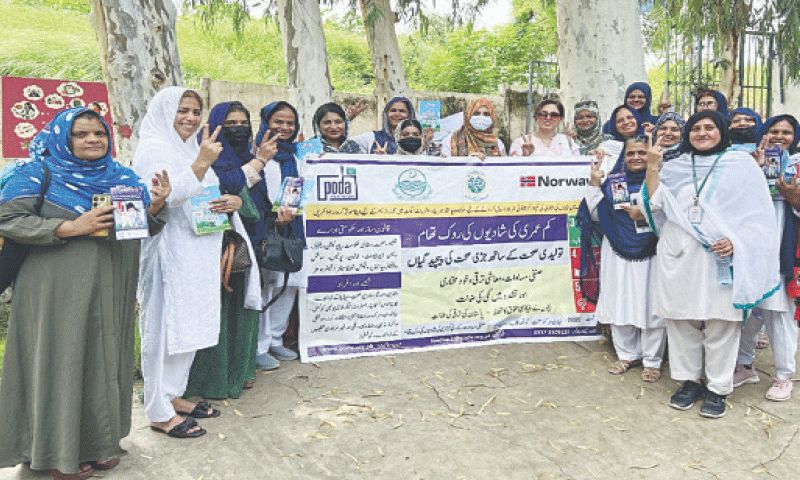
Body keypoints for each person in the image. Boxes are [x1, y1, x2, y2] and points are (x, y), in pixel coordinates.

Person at [0, 107, 170, 479]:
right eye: (81, 134)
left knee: (105, 358)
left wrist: (155, 205)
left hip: (114, 282)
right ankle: (57, 453)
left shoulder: (123, 177)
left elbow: (138, 228)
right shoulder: (38, 171)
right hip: (56, 288)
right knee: (63, 360)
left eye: (99, 133)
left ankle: (99, 442)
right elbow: (8, 219)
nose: (93, 140)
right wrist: (69, 226)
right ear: (63, 138)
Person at [640, 110, 780, 418]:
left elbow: (757, 219)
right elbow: (652, 204)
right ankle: (690, 381)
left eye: (710, 127)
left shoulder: (742, 166)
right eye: (696, 128)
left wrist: (736, 241)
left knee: (721, 322)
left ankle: (718, 388)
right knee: (681, 321)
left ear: (722, 131)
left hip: (721, 257)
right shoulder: (674, 167)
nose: (702, 133)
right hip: (679, 255)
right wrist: (652, 166)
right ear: (687, 133)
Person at [134, 87, 243, 438]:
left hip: (197, 253)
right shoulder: (153, 148)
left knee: (188, 327)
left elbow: (201, 193)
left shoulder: (187, 148)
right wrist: (201, 163)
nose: (191, 118)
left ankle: (172, 396)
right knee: (163, 329)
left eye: (197, 111)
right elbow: (164, 198)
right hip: (168, 253)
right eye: (183, 110)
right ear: (165, 111)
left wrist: (229, 202)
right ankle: (157, 410)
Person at [183, 101, 264, 400]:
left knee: (243, 310)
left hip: (246, 244)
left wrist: (242, 200)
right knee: (216, 311)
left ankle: (240, 372)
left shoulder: (249, 155)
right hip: (212, 245)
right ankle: (212, 379)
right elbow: (214, 188)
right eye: (229, 124)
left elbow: (252, 199)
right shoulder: (203, 156)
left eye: (243, 123)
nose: (238, 129)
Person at [577, 136, 665, 382]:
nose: (636, 157)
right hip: (616, 250)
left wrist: (646, 214)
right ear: (622, 158)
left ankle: (652, 360)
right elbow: (594, 216)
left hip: (652, 251)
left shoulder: (659, 181)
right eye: (630, 154)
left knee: (652, 305)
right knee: (620, 300)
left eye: (641, 152)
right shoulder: (612, 183)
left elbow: (669, 213)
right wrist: (594, 185)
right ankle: (627, 355)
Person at [732, 114, 800, 401]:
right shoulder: (750, 160)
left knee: (778, 312)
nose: (779, 136)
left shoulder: (798, 164)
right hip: (753, 249)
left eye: (787, 132)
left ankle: (784, 374)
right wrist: (756, 170)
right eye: (774, 131)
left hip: (782, 249)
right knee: (748, 310)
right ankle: (745, 365)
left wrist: (795, 198)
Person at [253, 101, 305, 370]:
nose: (284, 128)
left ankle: (276, 339)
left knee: (290, 283)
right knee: (265, 286)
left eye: (289, 123)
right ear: (265, 122)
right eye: (278, 122)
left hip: (293, 226)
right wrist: (273, 219)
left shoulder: (296, 157)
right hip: (266, 228)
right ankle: (260, 346)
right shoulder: (257, 153)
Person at [510, 99, 578, 157]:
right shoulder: (520, 143)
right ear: (536, 118)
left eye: (554, 115)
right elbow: (512, 170)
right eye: (543, 114)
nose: (548, 118)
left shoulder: (568, 142)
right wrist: (524, 156)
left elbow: (578, 168)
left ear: (561, 119)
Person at [441, 98, 506, 159]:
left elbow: (503, 168)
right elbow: (447, 168)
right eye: (476, 113)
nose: (481, 117)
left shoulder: (497, 143)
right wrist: (468, 161)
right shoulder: (451, 141)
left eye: (486, 114)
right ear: (468, 116)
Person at [594, 105, 643, 171]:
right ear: (614, 126)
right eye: (620, 121)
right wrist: (596, 154)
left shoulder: (649, 142)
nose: (626, 122)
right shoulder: (609, 145)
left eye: (630, 117)